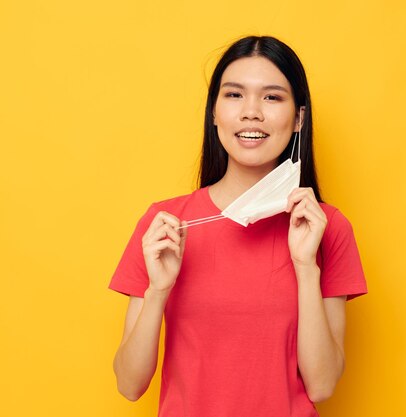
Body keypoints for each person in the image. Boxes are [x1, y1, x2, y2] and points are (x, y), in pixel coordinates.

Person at [109, 35, 368, 417]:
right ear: (214, 112)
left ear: (298, 118)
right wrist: (158, 290)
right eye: (234, 95)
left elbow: (323, 384)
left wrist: (305, 267)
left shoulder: (326, 227)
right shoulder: (165, 224)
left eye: (272, 97)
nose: (251, 112)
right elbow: (129, 385)